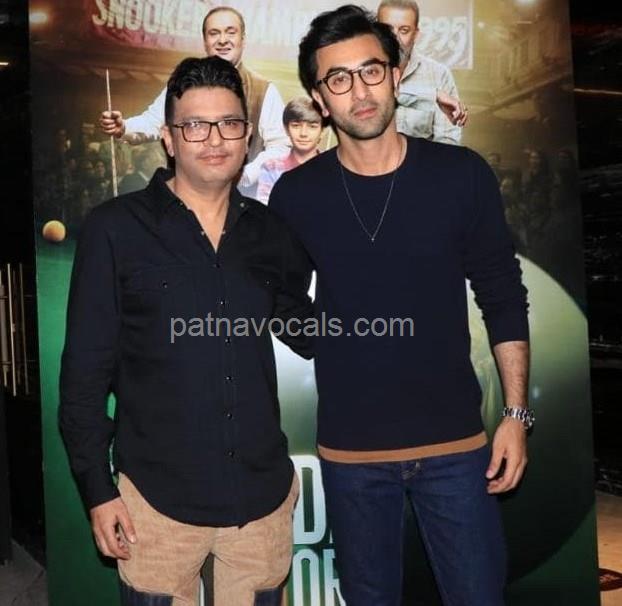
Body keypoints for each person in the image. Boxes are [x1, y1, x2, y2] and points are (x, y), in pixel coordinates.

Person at [269, 6, 532, 605]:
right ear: (319, 97)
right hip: (351, 454)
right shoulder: (297, 195)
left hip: (457, 448)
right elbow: (279, 295)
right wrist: (330, 340)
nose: (359, 91)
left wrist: (516, 416)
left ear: (395, 74)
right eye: (338, 78)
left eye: (371, 71)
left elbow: (502, 294)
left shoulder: (461, 175)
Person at [60, 56, 314, 606]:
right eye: (195, 125)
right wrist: (97, 491)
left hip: (261, 504)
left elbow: (305, 327)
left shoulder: (271, 232)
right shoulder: (115, 229)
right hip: (154, 506)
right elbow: (83, 377)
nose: (214, 139)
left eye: (229, 123)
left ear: (247, 135)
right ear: (169, 139)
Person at [99, 6, 290, 193]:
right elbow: (153, 122)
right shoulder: (184, 81)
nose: (222, 40)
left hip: (241, 200)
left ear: (243, 39)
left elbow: (281, 146)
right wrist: (124, 127)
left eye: (230, 32)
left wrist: (246, 175)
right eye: (214, 33)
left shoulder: (263, 90)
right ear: (205, 41)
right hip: (187, 197)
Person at [378, 0, 464, 144]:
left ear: (416, 35)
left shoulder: (439, 74)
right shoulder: (359, 70)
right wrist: (433, 95)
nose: (394, 39)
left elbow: (447, 142)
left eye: (404, 30)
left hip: (425, 158)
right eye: (387, 30)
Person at [256, 97, 323, 204]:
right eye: (296, 126)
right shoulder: (271, 168)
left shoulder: (335, 168)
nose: (303, 133)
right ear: (286, 129)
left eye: (312, 126)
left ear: (322, 130)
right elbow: (264, 208)